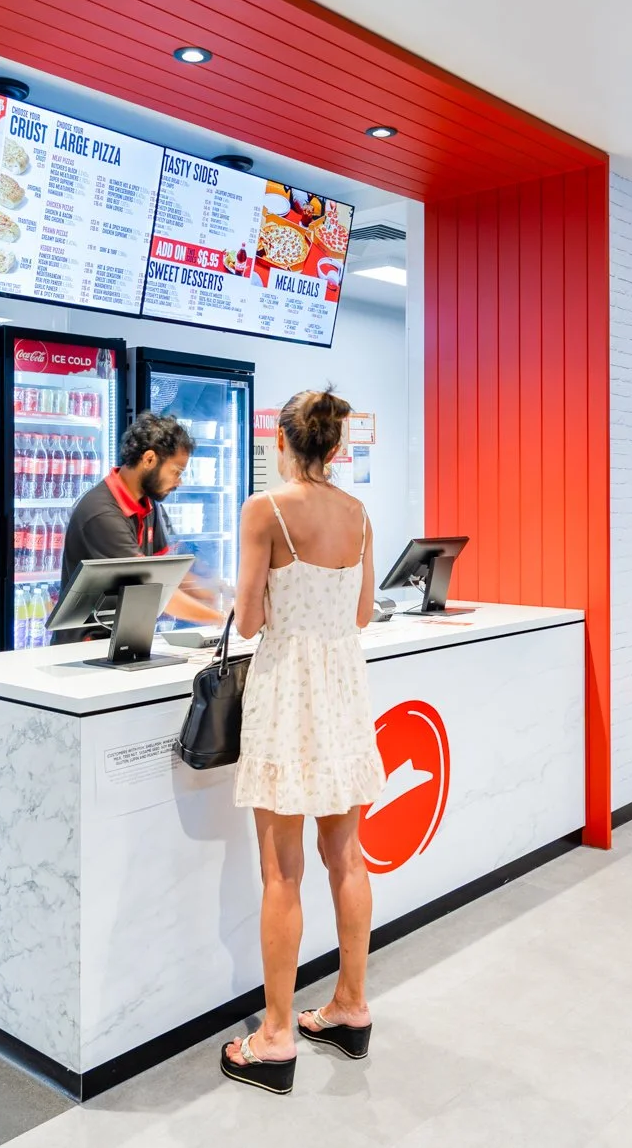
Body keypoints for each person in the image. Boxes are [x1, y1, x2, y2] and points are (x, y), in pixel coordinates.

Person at [219, 389, 382, 1095]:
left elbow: (249, 622)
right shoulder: (359, 514)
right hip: (343, 687)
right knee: (345, 854)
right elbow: (366, 611)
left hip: (287, 691)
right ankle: (349, 1005)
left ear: (282, 441)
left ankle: (277, 1034)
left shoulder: (267, 509)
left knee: (281, 870)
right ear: (336, 447)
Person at [54, 412, 220, 643]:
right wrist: (221, 618)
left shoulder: (148, 503)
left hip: (126, 640)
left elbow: (166, 572)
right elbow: (153, 589)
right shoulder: (102, 513)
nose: (179, 482)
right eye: (176, 472)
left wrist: (210, 591)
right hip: (87, 646)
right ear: (149, 459)